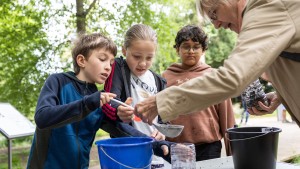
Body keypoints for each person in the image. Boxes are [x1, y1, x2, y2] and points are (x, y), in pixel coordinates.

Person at [133, 0, 300, 128]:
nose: (217, 24)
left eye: (214, 13)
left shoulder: (267, 6)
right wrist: (281, 95)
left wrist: (160, 102)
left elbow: (232, 78)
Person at [26, 33, 170, 169]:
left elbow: (122, 130)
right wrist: (87, 103)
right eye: (102, 59)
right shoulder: (57, 81)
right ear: (81, 60)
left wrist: (155, 144)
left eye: (111, 62)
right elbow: (42, 118)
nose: (108, 67)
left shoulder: (98, 100)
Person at [162, 25, 235, 161]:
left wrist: (233, 155)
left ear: (203, 50)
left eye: (196, 47)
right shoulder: (165, 77)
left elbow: (227, 117)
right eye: (186, 46)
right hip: (176, 147)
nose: (191, 51)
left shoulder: (214, 76)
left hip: (209, 147)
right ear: (177, 49)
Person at [102, 24, 167, 168]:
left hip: (156, 158)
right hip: (128, 153)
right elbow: (109, 100)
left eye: (149, 58)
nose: (143, 63)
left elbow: (164, 118)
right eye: (137, 56)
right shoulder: (118, 68)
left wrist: (162, 132)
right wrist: (118, 111)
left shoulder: (159, 81)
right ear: (125, 50)